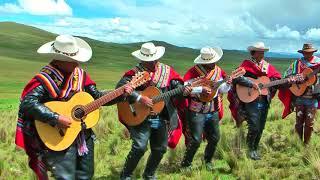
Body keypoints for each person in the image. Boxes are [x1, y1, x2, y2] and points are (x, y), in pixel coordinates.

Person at [15, 35, 133, 179]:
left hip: (83, 134)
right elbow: (28, 103)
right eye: (72, 60)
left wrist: (121, 94)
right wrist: (56, 117)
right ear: (59, 61)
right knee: (66, 177)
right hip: (58, 135)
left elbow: (96, 97)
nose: (77, 64)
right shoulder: (45, 78)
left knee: (86, 175)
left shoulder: (80, 75)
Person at [114, 42, 191, 180]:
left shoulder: (167, 72)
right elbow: (121, 88)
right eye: (149, 60)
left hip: (160, 117)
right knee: (139, 147)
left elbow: (177, 91)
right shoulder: (134, 73)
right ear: (142, 59)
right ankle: (126, 175)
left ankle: (149, 174)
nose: (153, 62)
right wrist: (139, 98)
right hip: (139, 117)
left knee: (160, 148)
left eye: (154, 59)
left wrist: (184, 91)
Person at [228, 42, 282, 160]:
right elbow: (236, 77)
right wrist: (251, 84)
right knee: (254, 126)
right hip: (250, 100)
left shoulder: (267, 66)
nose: (262, 53)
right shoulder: (245, 65)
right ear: (254, 52)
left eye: (263, 51)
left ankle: (255, 148)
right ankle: (250, 149)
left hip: (264, 99)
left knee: (261, 126)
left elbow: (277, 77)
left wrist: (274, 82)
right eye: (260, 51)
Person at [181, 47, 231, 170]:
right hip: (196, 110)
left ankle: (207, 161)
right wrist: (200, 89)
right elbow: (185, 89)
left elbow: (222, 89)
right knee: (196, 140)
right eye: (210, 62)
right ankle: (186, 163)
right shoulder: (193, 72)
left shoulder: (218, 71)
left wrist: (228, 84)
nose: (213, 63)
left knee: (215, 138)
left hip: (212, 109)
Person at [279, 43, 320, 144]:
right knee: (299, 123)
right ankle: (298, 144)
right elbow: (286, 75)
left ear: (313, 52)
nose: (307, 54)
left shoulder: (318, 63)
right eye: (306, 52)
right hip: (299, 97)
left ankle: (306, 145)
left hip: (313, 98)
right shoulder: (297, 63)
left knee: (309, 123)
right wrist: (295, 78)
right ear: (303, 52)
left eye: (309, 52)